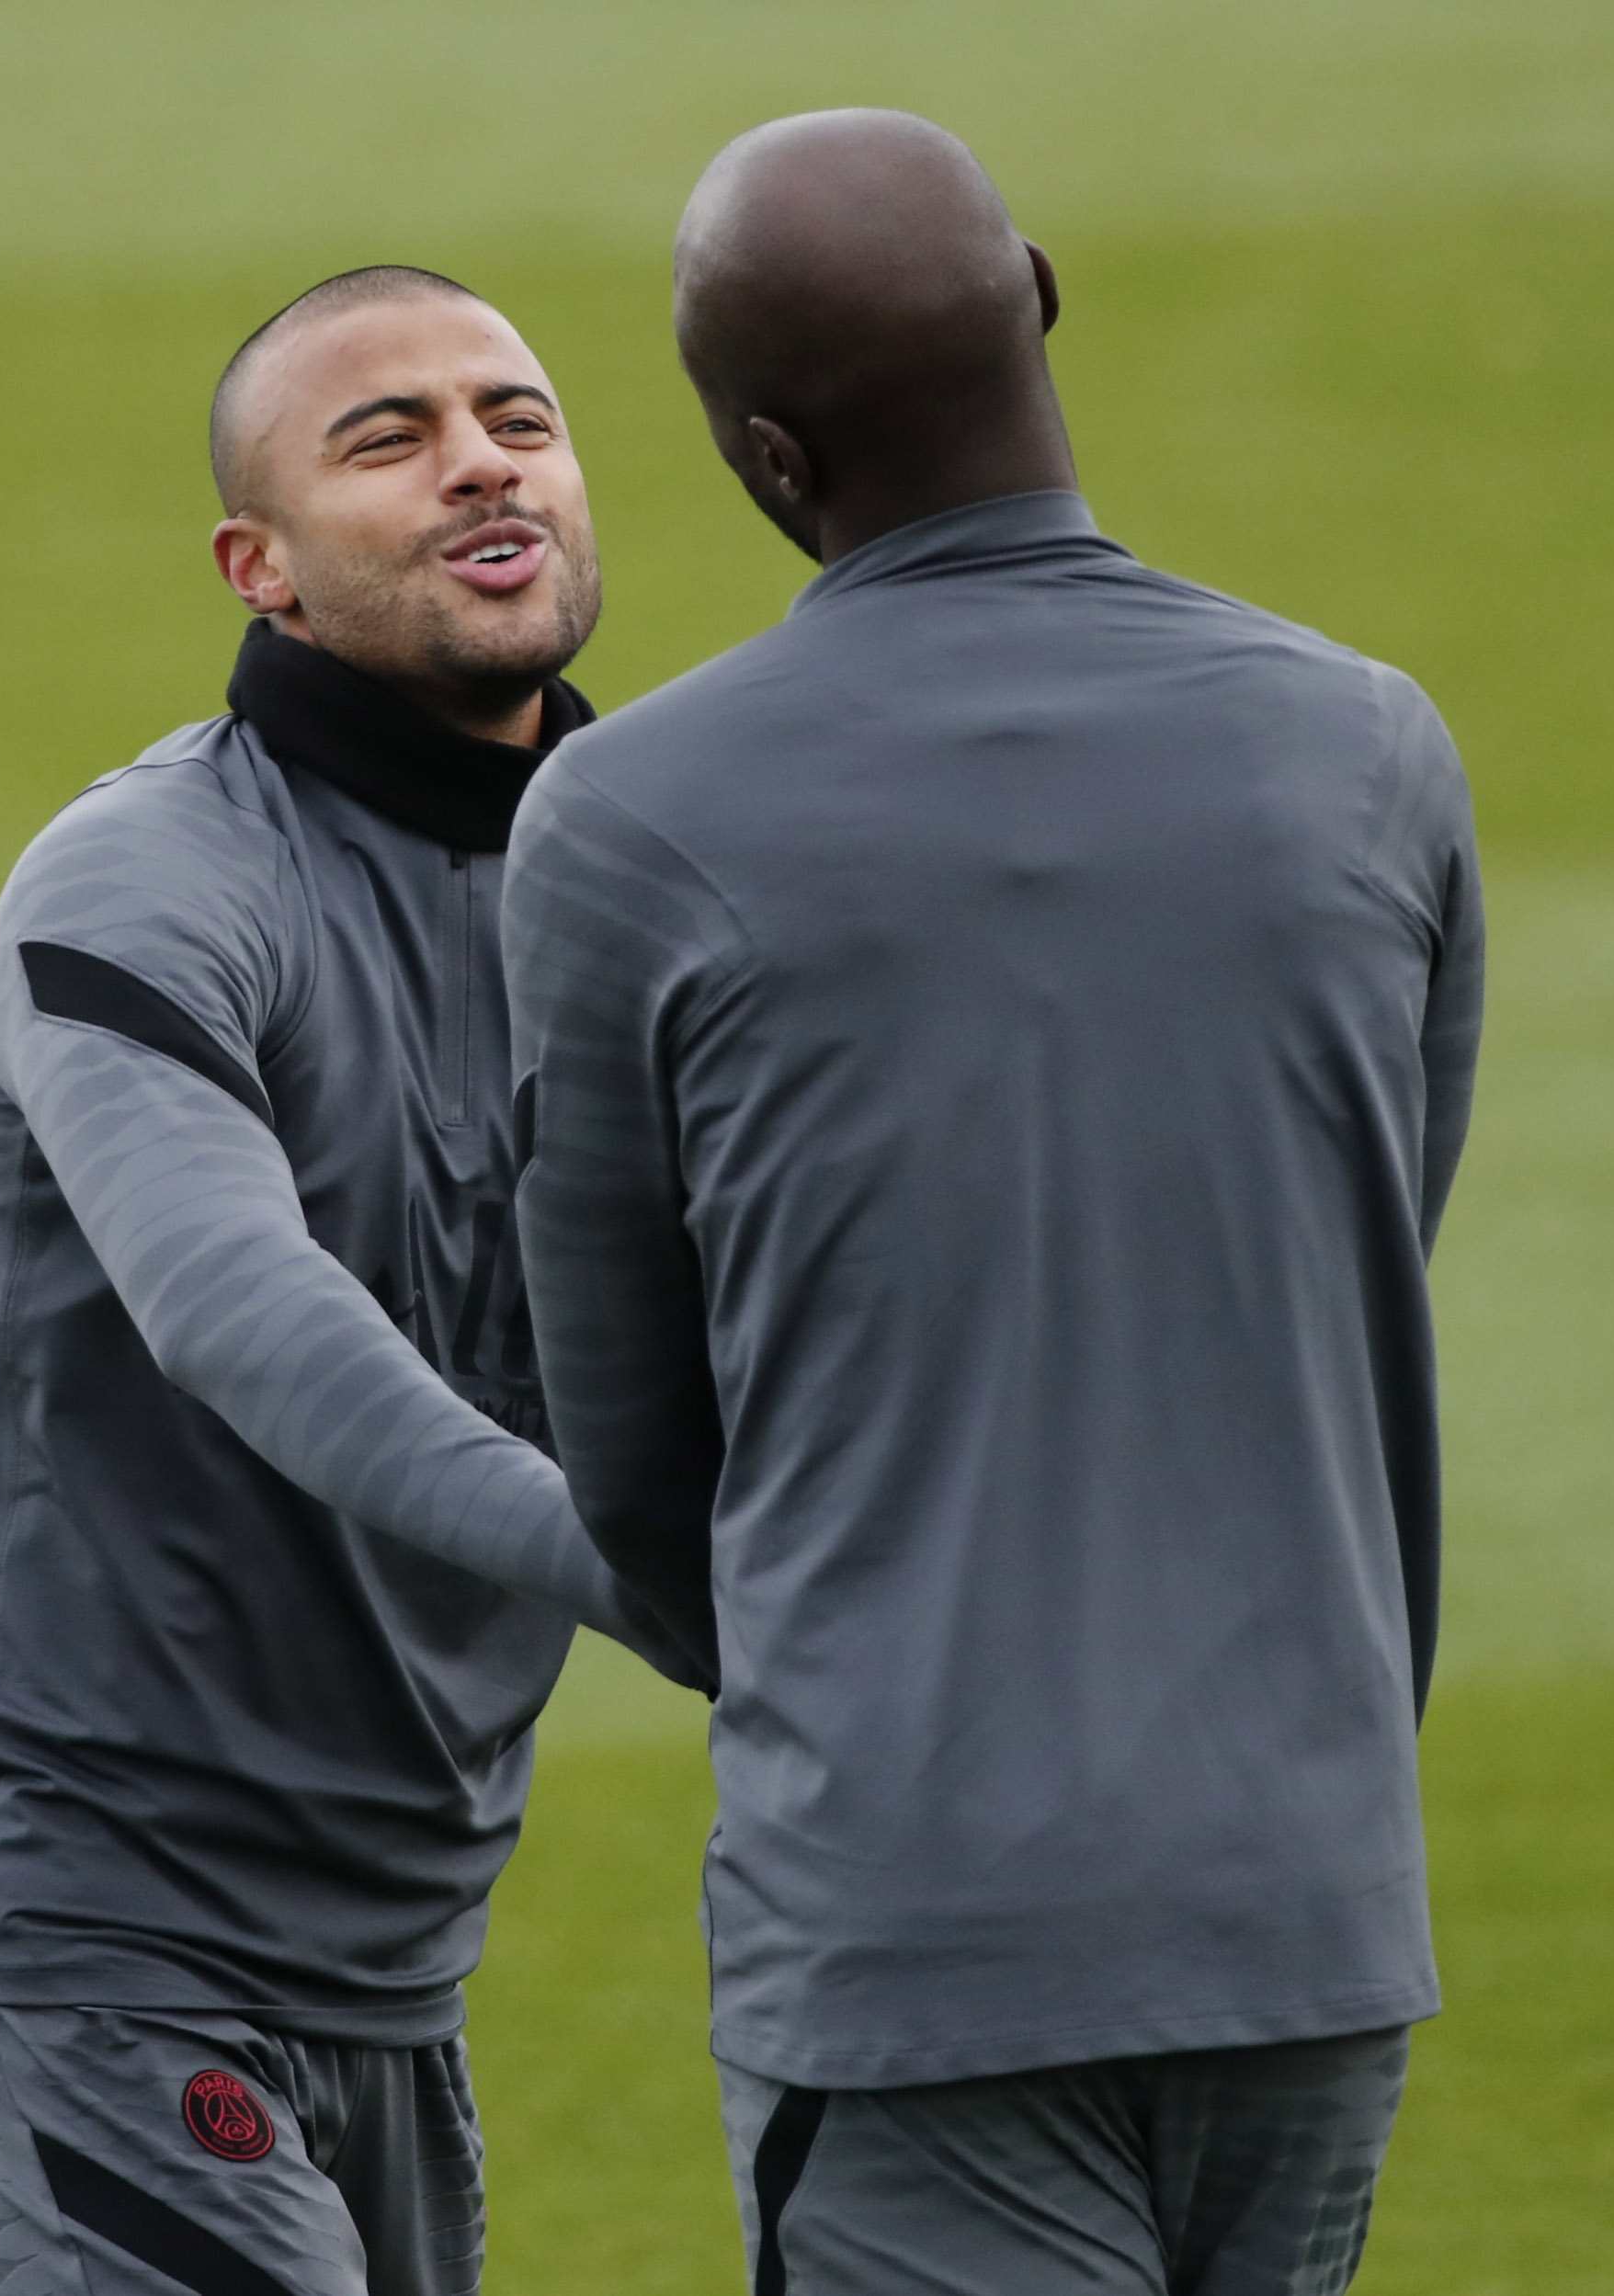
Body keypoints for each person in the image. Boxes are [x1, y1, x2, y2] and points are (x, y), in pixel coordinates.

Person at [502, 114, 1486, 2296]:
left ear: (766, 455)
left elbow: (637, 1468)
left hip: (918, 1932)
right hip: (1301, 1912)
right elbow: (1348, 1261)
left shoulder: (625, 817)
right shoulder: (1369, 752)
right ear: (1036, 296)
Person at [0, 264, 708, 2296]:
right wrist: (668, 1581)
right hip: (88, 1947)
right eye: (386, 436)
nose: (478, 462)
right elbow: (237, 1309)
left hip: (396, 1972)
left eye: (515, 415)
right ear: (263, 567)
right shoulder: (147, 880)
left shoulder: (658, 891)